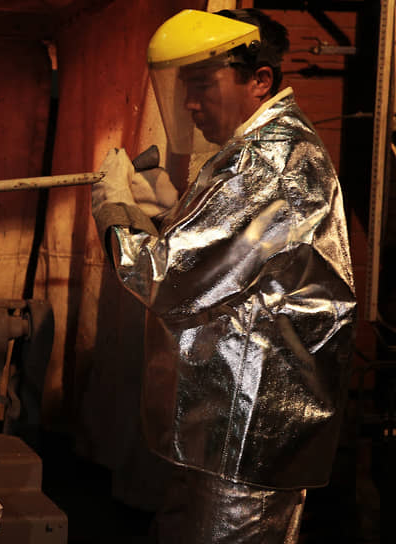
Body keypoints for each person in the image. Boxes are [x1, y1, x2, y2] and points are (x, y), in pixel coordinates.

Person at [89, 8, 356, 543]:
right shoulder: (265, 146)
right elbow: (236, 257)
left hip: (248, 434)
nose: (190, 103)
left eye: (203, 85)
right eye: (184, 87)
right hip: (225, 423)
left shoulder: (266, 160)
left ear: (260, 80)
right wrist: (171, 211)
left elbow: (163, 278)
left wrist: (114, 209)